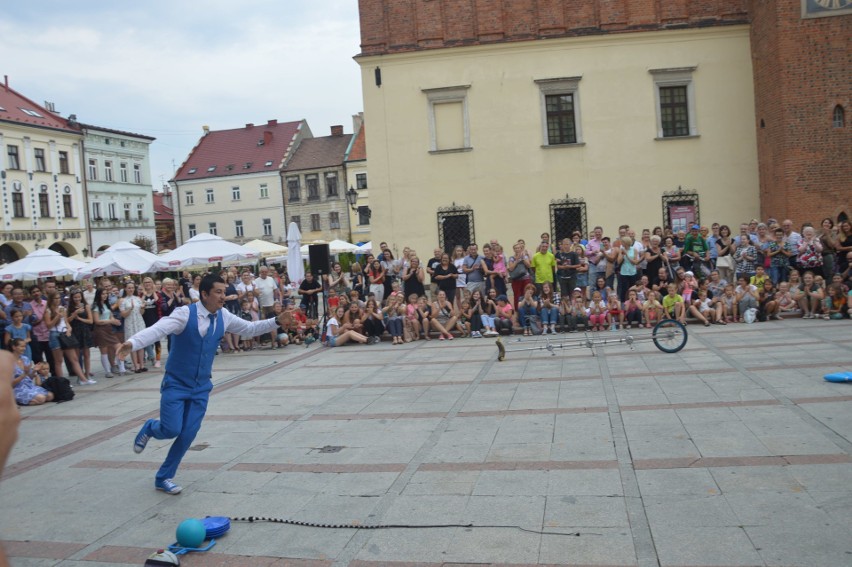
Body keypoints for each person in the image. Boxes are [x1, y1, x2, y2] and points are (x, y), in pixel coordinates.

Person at [120, 274, 296, 495]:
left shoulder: (224, 316)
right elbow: (158, 329)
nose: (224, 297)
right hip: (176, 383)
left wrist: (277, 321)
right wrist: (132, 343)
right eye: (218, 292)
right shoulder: (184, 314)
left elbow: (249, 329)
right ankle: (150, 428)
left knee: (187, 434)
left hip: (201, 387)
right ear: (204, 294)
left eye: (224, 291)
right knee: (171, 429)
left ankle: (163, 477)